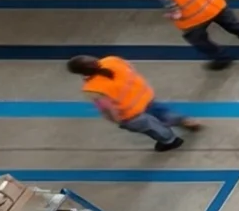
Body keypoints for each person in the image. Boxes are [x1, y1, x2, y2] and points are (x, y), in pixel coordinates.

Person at [69, 54, 200, 151]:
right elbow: (130, 66)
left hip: (131, 113)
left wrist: (117, 120)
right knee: (163, 113)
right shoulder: (111, 60)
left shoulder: (92, 88)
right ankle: (185, 121)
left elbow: (107, 108)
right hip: (145, 96)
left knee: (152, 127)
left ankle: (170, 141)